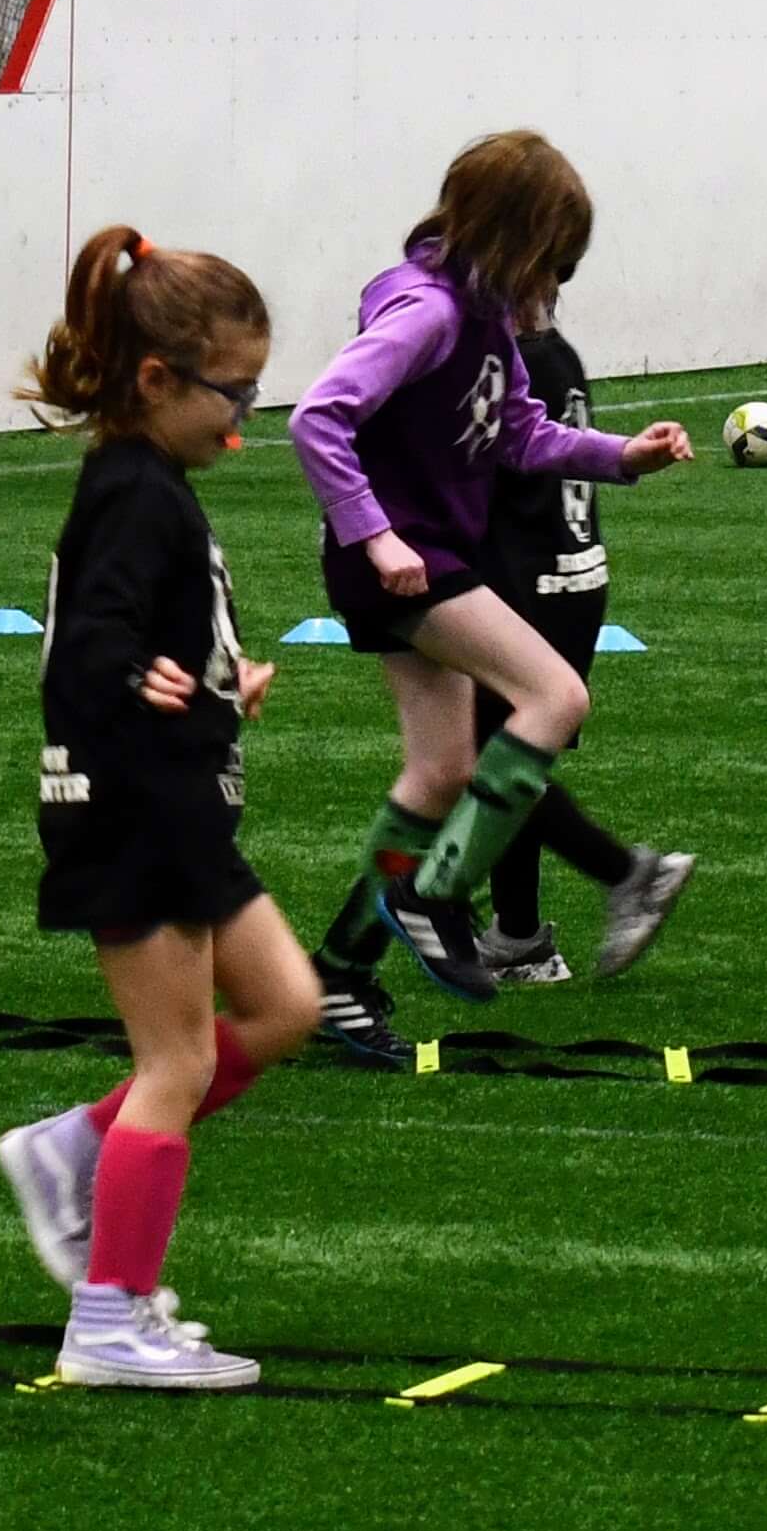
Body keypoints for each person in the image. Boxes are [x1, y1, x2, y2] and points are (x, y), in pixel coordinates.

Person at [0, 227, 323, 1393]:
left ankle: (76, 1145)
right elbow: (86, 650)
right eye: (232, 395)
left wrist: (223, 684)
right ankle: (111, 1314)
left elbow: (143, 638)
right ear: (155, 380)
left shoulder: (158, 484)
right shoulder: (132, 491)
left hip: (184, 804)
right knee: (175, 1062)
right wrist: (143, 681)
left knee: (288, 1004)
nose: (244, 421)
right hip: (134, 813)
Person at [286, 132, 690, 1039]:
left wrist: (621, 456)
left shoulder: (487, 326)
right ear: (515, 242)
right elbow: (319, 418)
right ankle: (436, 892)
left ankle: (339, 975)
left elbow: (522, 436)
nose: (556, 289)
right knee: (555, 695)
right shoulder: (427, 315)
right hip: (402, 558)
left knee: (441, 772)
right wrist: (377, 535)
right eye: (556, 266)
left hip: (418, 555)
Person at [468, 312, 695, 992]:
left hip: (526, 583)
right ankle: (518, 938)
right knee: (514, 755)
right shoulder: (554, 349)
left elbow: (491, 469)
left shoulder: (501, 357)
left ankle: (630, 873)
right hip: (574, 577)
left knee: (488, 762)